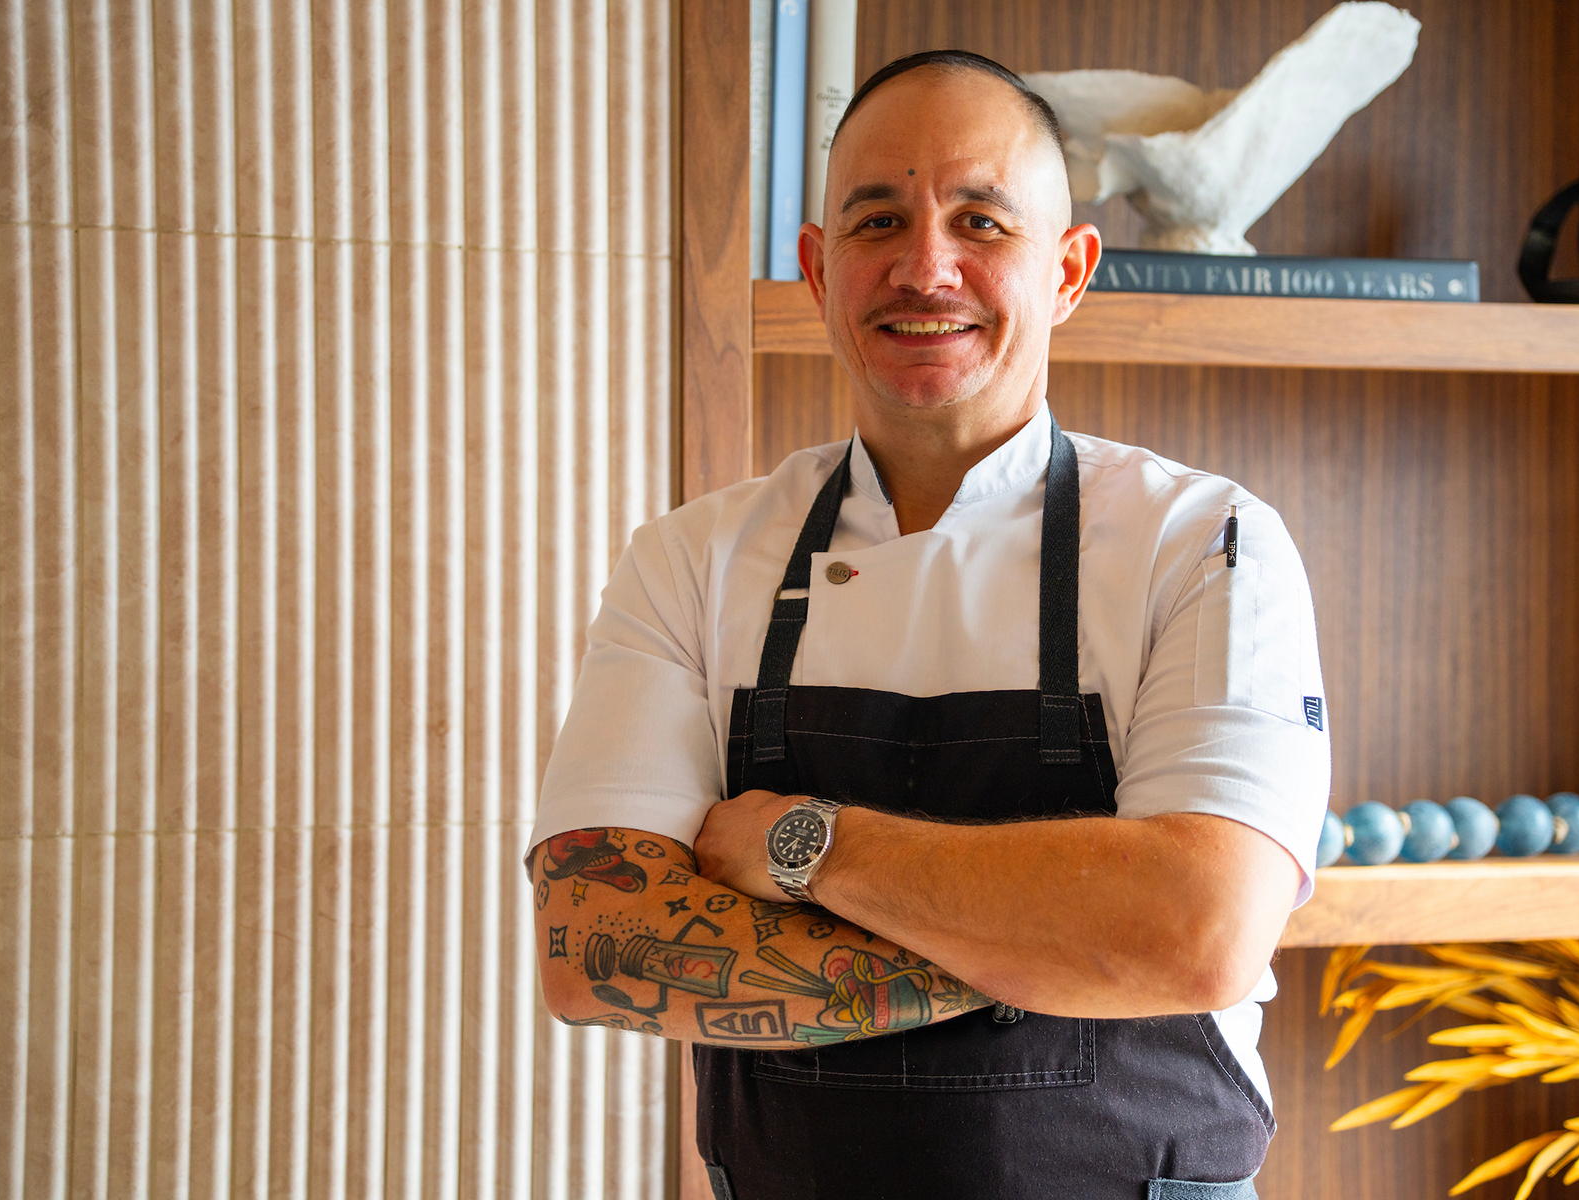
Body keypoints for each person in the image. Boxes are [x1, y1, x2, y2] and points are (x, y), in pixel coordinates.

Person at [529, 49, 1329, 1200]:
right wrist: (1065, 943)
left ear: (1069, 271)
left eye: (981, 221)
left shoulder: (1207, 543)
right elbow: (596, 948)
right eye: (878, 221)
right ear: (818, 270)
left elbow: (1199, 933)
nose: (925, 267)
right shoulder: (691, 561)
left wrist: (802, 843)